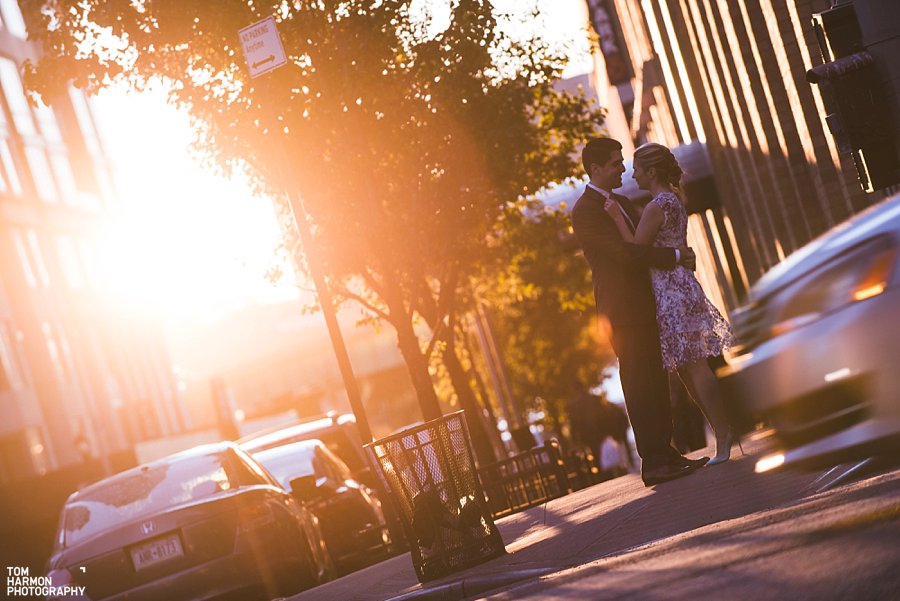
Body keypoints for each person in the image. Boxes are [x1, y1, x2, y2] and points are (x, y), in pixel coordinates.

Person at [571, 137, 708, 486]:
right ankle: (654, 461)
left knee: (655, 380)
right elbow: (627, 255)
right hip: (622, 311)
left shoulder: (618, 202)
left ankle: (665, 452)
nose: (622, 169)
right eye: (616, 163)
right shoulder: (585, 211)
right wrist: (677, 256)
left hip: (645, 305)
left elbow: (638, 246)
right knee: (638, 383)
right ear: (596, 168)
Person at [603, 142, 737, 465]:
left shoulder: (656, 206)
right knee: (687, 367)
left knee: (693, 365)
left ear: (651, 172)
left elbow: (636, 250)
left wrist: (616, 219)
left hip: (669, 291)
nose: (633, 174)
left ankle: (723, 430)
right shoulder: (674, 200)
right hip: (681, 284)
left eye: (637, 168)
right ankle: (722, 430)